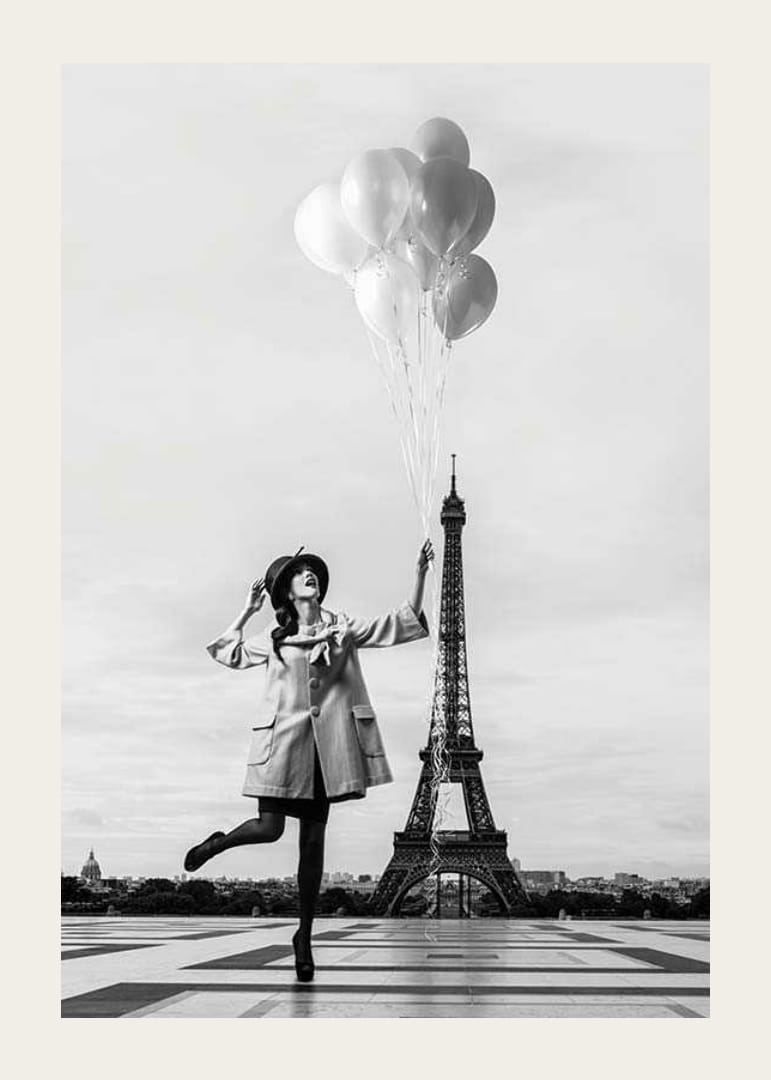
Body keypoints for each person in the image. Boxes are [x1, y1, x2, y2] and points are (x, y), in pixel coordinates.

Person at [184, 541, 434, 981]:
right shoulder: (275, 638)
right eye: (300, 574)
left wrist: (420, 574)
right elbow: (229, 653)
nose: (310, 576)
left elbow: (395, 625)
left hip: (327, 748)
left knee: (312, 847)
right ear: (288, 593)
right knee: (269, 827)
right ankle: (217, 843)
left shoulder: (343, 627)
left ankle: (305, 939)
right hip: (283, 741)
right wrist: (246, 611)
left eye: (311, 572)